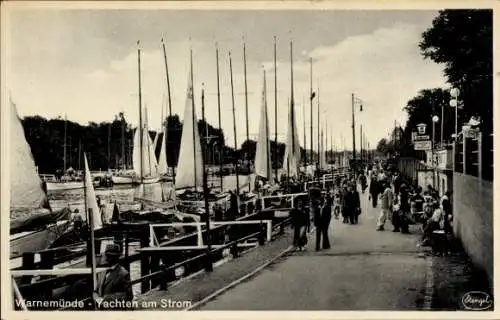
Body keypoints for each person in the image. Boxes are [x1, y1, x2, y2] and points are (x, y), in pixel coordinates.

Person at [93, 244, 133, 310]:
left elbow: (128, 296)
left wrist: (104, 299)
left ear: (116, 257)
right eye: (107, 255)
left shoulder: (123, 274)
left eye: (111, 256)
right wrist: (95, 295)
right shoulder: (101, 272)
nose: (107, 258)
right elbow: (96, 290)